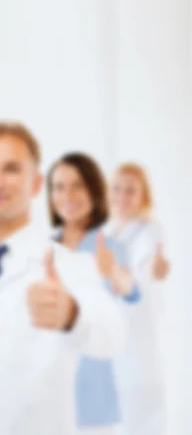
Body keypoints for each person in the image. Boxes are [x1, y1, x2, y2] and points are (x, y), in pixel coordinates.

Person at [0, 121, 124, 435]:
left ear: (36, 184)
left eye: (11, 169)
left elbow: (112, 332)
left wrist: (71, 314)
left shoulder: (67, 265)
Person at [48, 152, 140, 435]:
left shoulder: (108, 245)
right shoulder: (43, 248)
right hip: (48, 390)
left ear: (93, 190)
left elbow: (130, 289)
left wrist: (112, 273)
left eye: (78, 185)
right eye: (60, 186)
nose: (68, 195)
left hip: (95, 396)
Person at [104, 163, 169, 435]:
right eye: (117, 189)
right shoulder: (108, 231)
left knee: (142, 412)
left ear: (144, 195)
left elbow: (150, 265)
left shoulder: (149, 228)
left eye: (131, 191)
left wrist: (155, 267)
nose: (122, 196)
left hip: (140, 337)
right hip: (114, 337)